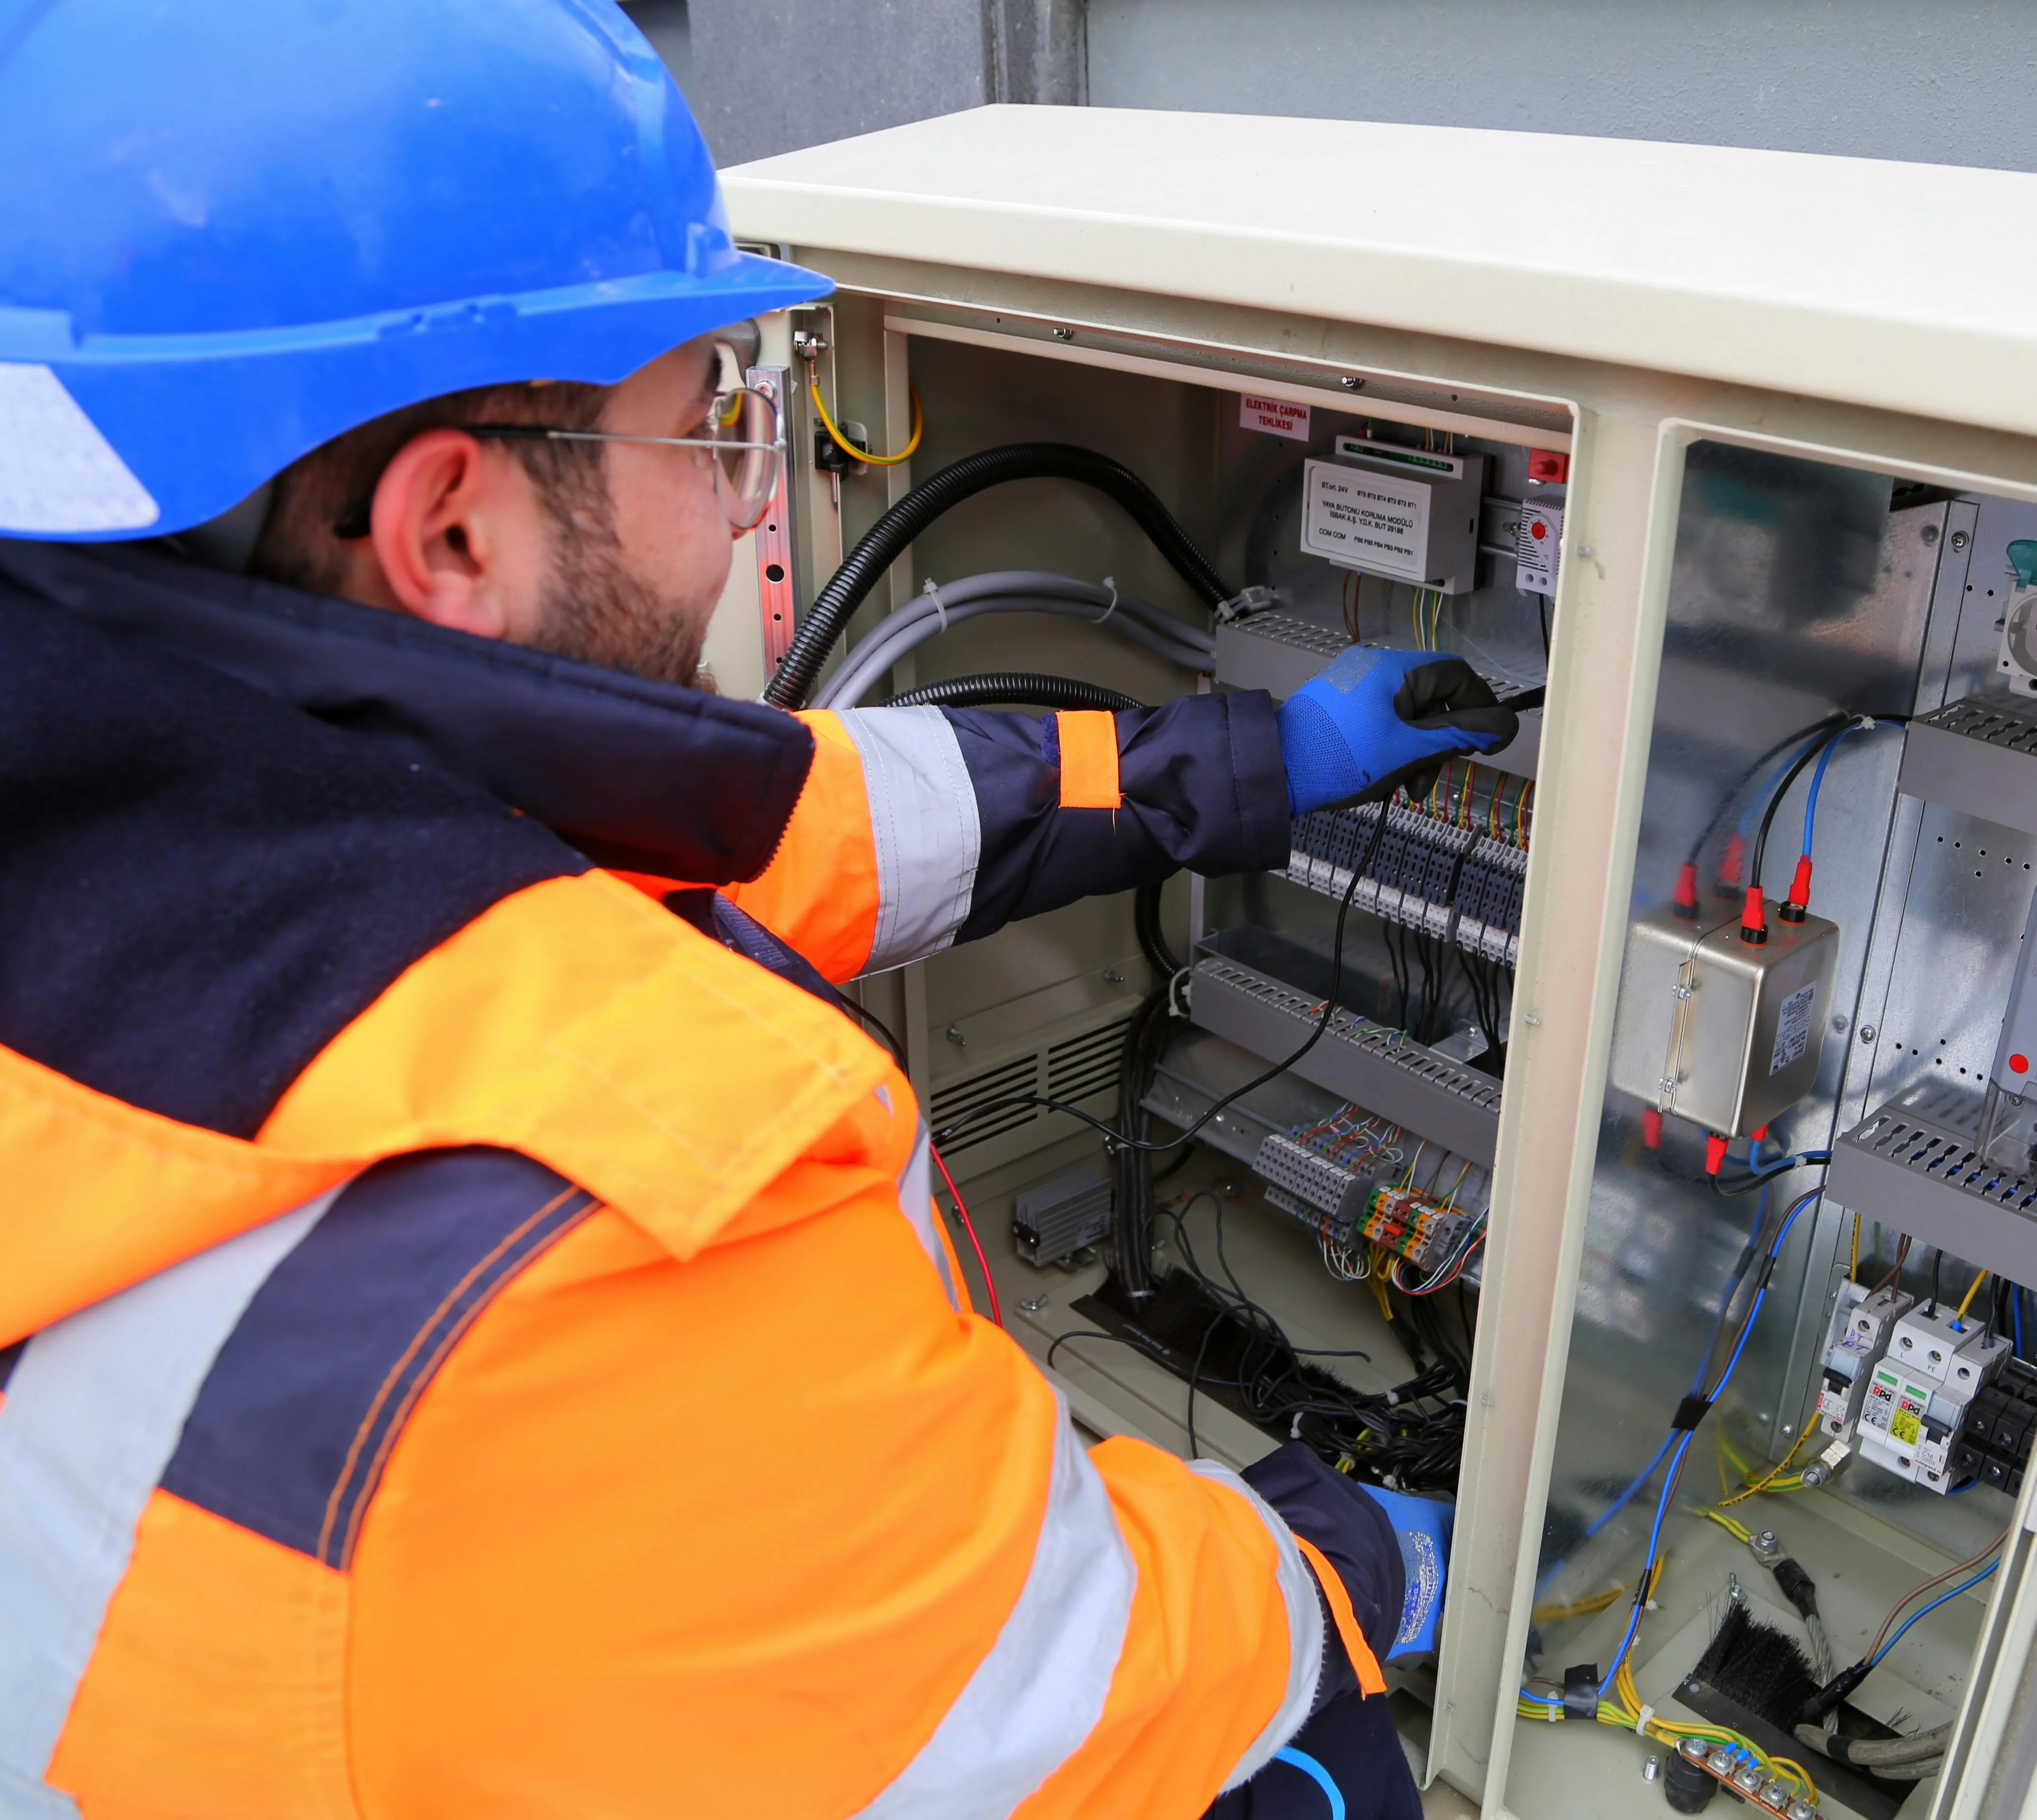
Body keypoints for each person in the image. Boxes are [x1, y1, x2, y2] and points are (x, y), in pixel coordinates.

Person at [0, 3, 1512, 1815]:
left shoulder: (200, 787)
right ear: (453, 532)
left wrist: (1242, 764)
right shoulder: (610, 1222)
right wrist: (1346, 1570)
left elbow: (789, 817)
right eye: (707, 428)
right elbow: (1061, 1702)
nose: (740, 510)